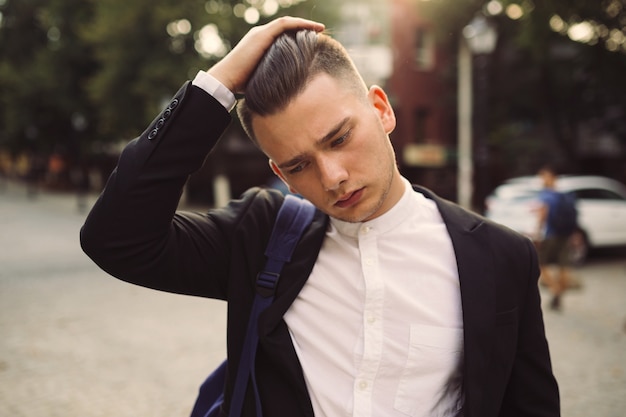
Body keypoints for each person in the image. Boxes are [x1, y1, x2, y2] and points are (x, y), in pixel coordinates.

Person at [80, 16, 559, 417]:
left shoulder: (499, 257)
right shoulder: (260, 236)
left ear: (381, 109)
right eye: (298, 165)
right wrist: (218, 84)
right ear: (279, 173)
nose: (332, 177)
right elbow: (116, 238)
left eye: (338, 138)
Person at [535, 165, 577, 311]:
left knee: (541, 264)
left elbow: (542, 215)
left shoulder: (546, 195)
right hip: (565, 234)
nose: (541, 180)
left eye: (543, 176)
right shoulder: (563, 194)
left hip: (550, 234)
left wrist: (537, 232)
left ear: (549, 177)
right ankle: (559, 294)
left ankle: (555, 290)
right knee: (563, 265)